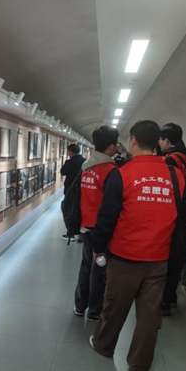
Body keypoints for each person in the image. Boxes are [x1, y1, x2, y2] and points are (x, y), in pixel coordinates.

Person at [89, 120, 185, 371]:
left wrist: (99, 246)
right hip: (159, 257)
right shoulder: (175, 175)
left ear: (132, 141)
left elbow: (107, 216)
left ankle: (103, 346)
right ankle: (139, 365)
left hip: (125, 255)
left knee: (114, 306)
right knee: (149, 315)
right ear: (157, 143)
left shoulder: (121, 174)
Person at [73, 126, 118, 321]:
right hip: (100, 228)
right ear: (110, 147)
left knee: (86, 265)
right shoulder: (110, 171)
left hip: (85, 225)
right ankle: (94, 310)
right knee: (99, 269)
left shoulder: (86, 167)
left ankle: (79, 305)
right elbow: (111, 205)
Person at [158, 123, 186, 315]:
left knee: (167, 258)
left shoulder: (170, 160)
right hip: (185, 215)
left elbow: (169, 189)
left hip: (173, 214)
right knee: (176, 257)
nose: (159, 143)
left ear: (167, 140)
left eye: (160, 140)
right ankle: (171, 296)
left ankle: (164, 300)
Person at [60, 143, 86, 240]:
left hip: (70, 190)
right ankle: (81, 233)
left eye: (68, 151)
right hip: (82, 189)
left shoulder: (69, 162)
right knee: (80, 210)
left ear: (71, 152)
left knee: (69, 211)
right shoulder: (85, 161)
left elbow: (63, 172)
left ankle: (70, 233)